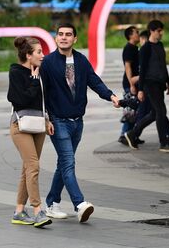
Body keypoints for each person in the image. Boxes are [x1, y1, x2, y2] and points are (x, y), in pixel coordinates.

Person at [41, 23, 120, 223]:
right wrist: (46, 118)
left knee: (63, 164)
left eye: (68, 34)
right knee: (68, 163)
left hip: (77, 122)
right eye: (60, 34)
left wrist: (110, 96)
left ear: (75, 38)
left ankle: (51, 203)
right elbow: (41, 93)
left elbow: (94, 81)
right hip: (58, 121)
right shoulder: (48, 63)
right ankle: (80, 204)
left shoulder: (81, 60)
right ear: (56, 38)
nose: (64, 37)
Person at [8, 36, 54, 227]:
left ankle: (19, 211)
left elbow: (43, 101)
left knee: (27, 169)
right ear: (28, 55)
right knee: (34, 166)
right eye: (38, 52)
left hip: (38, 125)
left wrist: (47, 119)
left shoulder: (40, 74)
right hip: (20, 126)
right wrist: (34, 81)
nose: (43, 56)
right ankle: (37, 211)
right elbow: (19, 100)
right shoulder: (16, 72)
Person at [124, 20, 169, 153]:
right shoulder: (145, 48)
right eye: (159, 31)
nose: (161, 33)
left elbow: (163, 65)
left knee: (155, 113)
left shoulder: (160, 45)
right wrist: (141, 89)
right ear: (152, 31)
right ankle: (164, 143)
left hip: (160, 83)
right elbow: (142, 70)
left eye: (162, 30)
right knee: (161, 111)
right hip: (150, 83)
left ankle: (132, 134)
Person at [118, 26, 140, 145]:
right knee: (131, 110)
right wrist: (131, 84)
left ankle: (131, 134)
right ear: (130, 35)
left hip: (135, 82)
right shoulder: (129, 48)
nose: (138, 34)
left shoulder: (135, 48)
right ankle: (124, 135)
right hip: (130, 83)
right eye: (136, 32)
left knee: (134, 109)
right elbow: (127, 66)